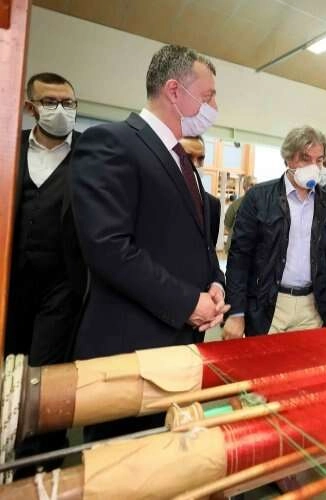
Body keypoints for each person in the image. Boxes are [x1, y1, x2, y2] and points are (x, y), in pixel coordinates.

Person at [71, 45, 228, 441]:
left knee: (168, 455)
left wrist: (215, 283)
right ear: (174, 91)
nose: (213, 106)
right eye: (208, 96)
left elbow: (198, 242)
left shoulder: (183, 162)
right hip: (132, 347)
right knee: (125, 459)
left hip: (179, 345)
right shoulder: (112, 143)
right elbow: (108, 247)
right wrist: (187, 302)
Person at [6, 72, 88, 476]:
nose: (61, 110)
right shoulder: (9, 146)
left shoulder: (88, 155)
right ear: (30, 107)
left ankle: (41, 466)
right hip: (11, 284)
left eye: (68, 103)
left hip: (62, 286)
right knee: (11, 372)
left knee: (48, 374)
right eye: (50, 102)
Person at [223, 126, 326, 338]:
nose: (314, 167)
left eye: (319, 160)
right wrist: (236, 312)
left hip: (312, 307)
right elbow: (239, 258)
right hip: (269, 304)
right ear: (288, 158)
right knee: (264, 359)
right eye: (305, 159)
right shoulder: (259, 198)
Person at [179, 135, 222, 246]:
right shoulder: (157, 196)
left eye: (200, 159)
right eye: (188, 157)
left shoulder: (213, 204)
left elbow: (210, 247)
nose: (195, 164)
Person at [224, 175, 256, 252]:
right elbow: (227, 225)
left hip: (253, 248)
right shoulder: (235, 204)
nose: (254, 187)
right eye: (251, 185)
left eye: (256, 185)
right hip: (236, 247)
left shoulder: (261, 205)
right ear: (244, 187)